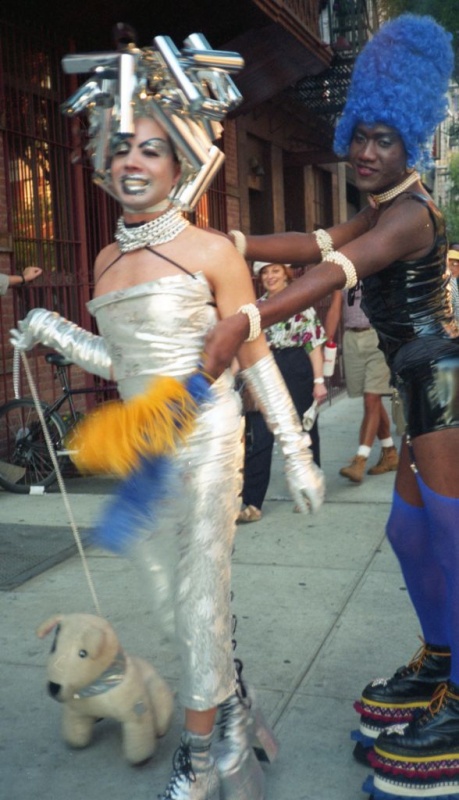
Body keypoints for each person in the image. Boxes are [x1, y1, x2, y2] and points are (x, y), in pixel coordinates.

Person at [10, 92, 324, 800]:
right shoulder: (106, 258)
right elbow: (123, 366)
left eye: (150, 148)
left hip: (210, 436)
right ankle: (235, 714)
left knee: (197, 598)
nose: (131, 160)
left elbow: (255, 360)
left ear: (178, 162)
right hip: (149, 443)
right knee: (175, 604)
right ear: (101, 160)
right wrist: (44, 325)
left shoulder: (213, 251)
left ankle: (200, 753)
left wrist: (297, 451)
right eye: (120, 147)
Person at [204, 15, 459, 800]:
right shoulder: (385, 203)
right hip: (416, 384)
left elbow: (336, 273)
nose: (365, 152)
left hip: (440, 386)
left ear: (408, 139)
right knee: (408, 531)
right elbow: (316, 244)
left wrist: (245, 319)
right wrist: (228, 242)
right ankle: (441, 659)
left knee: (449, 536)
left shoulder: (409, 214)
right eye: (359, 137)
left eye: (383, 139)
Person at [238, 259, 327, 522]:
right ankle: (252, 503)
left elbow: (314, 345)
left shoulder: (300, 304)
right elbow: (244, 346)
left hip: (296, 365)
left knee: (303, 429)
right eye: (265, 272)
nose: (270, 276)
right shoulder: (256, 308)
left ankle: (310, 487)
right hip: (264, 366)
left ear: (286, 274)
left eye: (275, 270)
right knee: (260, 432)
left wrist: (319, 380)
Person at [325, 285, 398, 483]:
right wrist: (328, 341)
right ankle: (389, 452)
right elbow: (335, 306)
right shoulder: (345, 271)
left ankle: (360, 459)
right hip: (352, 337)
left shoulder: (378, 265)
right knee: (370, 398)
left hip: (377, 336)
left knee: (371, 398)